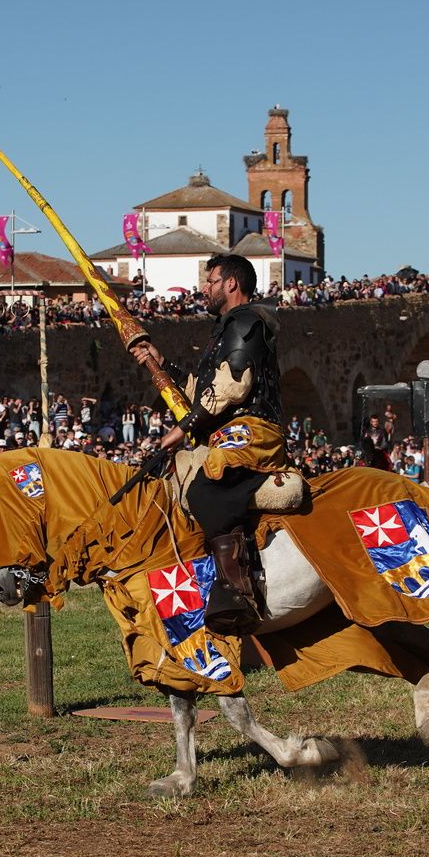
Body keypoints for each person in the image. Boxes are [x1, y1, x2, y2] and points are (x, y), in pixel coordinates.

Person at [131, 253, 289, 632]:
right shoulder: (225, 328)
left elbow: (234, 387)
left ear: (231, 284)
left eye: (211, 281)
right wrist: (161, 363)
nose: (205, 288)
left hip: (254, 431)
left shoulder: (246, 321)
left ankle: (238, 588)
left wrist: (182, 429)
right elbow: (202, 390)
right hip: (228, 430)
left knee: (205, 489)